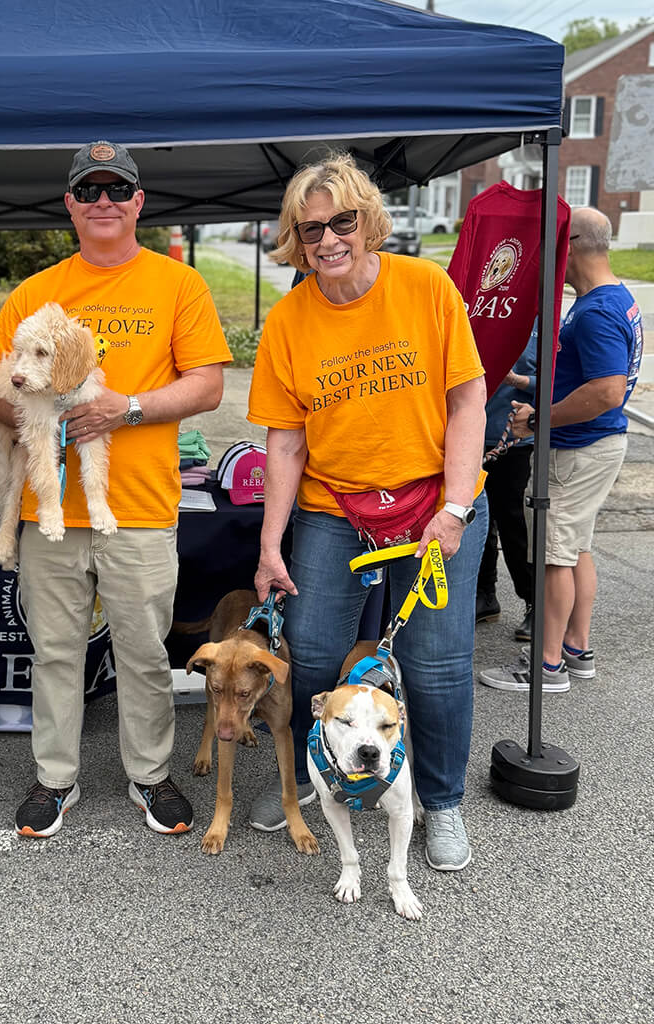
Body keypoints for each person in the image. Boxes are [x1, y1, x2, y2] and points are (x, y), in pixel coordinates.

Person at [0, 140, 230, 839]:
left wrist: (129, 408)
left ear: (140, 202)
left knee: (144, 651)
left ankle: (149, 774)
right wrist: (35, 419)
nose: (105, 201)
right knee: (55, 651)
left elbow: (207, 383)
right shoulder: (37, 291)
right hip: (51, 510)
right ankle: (55, 779)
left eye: (118, 190)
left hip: (139, 507)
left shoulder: (178, 285)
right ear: (71, 206)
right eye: (90, 191)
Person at [247, 153, 487, 872]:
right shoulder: (289, 320)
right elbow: (285, 443)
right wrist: (269, 545)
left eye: (341, 221)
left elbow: (467, 401)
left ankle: (438, 803)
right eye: (310, 227)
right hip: (333, 508)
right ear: (295, 237)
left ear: (367, 220)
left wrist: (455, 506)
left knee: (436, 663)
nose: (327, 240)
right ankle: (305, 784)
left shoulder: (425, 287)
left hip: (431, 504)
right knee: (314, 654)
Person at [479, 207, 644, 694]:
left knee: (553, 556)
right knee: (576, 551)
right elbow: (584, 377)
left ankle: (546, 667)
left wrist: (536, 418)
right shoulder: (613, 299)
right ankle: (575, 648)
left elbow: (607, 391)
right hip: (597, 446)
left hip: (577, 451)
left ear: (569, 245)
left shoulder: (594, 311)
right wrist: (525, 383)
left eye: (553, 242)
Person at [476, 325, 537, 640]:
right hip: (472, 436)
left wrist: (519, 381)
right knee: (476, 522)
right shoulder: (479, 313)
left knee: (515, 526)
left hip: (515, 441)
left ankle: (534, 603)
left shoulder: (541, 324)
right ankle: (484, 595)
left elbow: (559, 383)